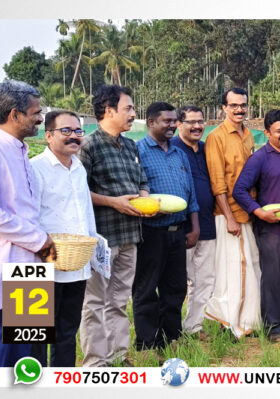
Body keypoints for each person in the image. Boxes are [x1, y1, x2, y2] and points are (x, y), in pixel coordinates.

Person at [79, 85, 150, 367]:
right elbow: (79, 191)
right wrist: (113, 202)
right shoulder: (88, 145)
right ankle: (97, 362)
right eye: (128, 108)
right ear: (109, 111)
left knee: (119, 299)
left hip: (130, 234)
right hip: (102, 237)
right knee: (95, 301)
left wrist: (144, 197)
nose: (133, 114)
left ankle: (119, 356)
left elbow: (142, 180)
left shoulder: (131, 146)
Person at [0, 81, 55, 371]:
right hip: (4, 267)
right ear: (14, 115)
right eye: (36, 113)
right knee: (3, 360)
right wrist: (39, 240)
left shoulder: (21, 150)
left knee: (27, 359)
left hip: (29, 269)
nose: (41, 118)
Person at [30, 111, 96, 367]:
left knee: (67, 332)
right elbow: (28, 216)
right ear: (48, 136)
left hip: (74, 263)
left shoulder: (78, 167)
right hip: (39, 266)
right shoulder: (35, 168)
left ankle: (62, 383)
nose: (74, 136)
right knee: (33, 336)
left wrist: (91, 250)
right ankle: (33, 384)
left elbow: (86, 212)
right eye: (65, 131)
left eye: (78, 131)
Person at [233, 109, 280, 343]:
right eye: (278, 131)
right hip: (271, 229)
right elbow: (239, 190)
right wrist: (259, 212)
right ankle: (273, 326)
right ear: (266, 133)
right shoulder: (259, 159)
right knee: (272, 276)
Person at [133, 102, 199, 351]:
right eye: (167, 121)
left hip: (177, 231)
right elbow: (134, 191)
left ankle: (171, 337)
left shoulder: (179, 153)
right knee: (147, 287)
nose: (172, 125)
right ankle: (147, 342)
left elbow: (190, 192)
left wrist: (194, 227)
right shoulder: (138, 151)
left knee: (176, 287)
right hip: (151, 232)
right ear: (151, 122)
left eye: (174, 121)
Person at [204, 87, 261, 338]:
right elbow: (218, 182)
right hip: (228, 215)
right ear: (224, 108)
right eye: (234, 105)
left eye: (243, 105)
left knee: (250, 266)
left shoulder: (248, 135)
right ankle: (230, 322)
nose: (239, 110)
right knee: (234, 269)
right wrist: (229, 217)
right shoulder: (216, 137)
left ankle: (248, 321)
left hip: (248, 212)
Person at [171, 105, 216, 340]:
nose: (197, 126)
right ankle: (171, 330)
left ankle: (193, 327)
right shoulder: (172, 149)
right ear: (179, 124)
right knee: (177, 282)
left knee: (205, 279)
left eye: (201, 121)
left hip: (208, 224)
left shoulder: (208, 149)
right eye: (191, 122)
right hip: (182, 226)